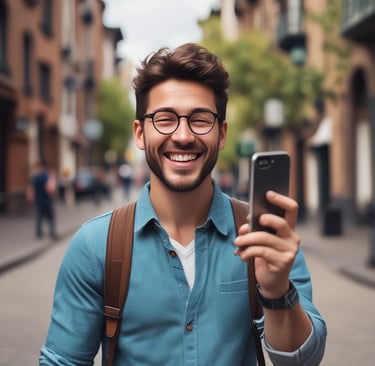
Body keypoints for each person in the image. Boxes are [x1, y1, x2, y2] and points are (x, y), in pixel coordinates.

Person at [40, 43, 326, 365]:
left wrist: (276, 292)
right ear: (139, 133)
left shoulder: (266, 236)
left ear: (221, 134)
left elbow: (304, 360)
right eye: (165, 119)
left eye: (200, 120)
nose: (184, 135)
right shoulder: (95, 247)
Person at [27, 161, 58, 240]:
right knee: (50, 217)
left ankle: (38, 233)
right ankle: (52, 232)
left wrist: (31, 198)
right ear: (45, 168)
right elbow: (49, 189)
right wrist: (54, 194)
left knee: (38, 216)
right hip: (47, 200)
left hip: (38, 200)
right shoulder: (47, 177)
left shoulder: (35, 177)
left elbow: (31, 188)